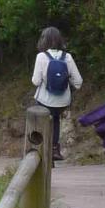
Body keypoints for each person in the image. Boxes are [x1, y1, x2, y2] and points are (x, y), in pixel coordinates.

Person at [31, 26, 83, 163]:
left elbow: (36, 81)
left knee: (41, 120)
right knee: (55, 119)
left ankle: (41, 150)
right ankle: (54, 148)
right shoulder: (68, 57)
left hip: (44, 100)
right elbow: (78, 82)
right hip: (62, 101)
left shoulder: (41, 57)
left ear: (43, 40)